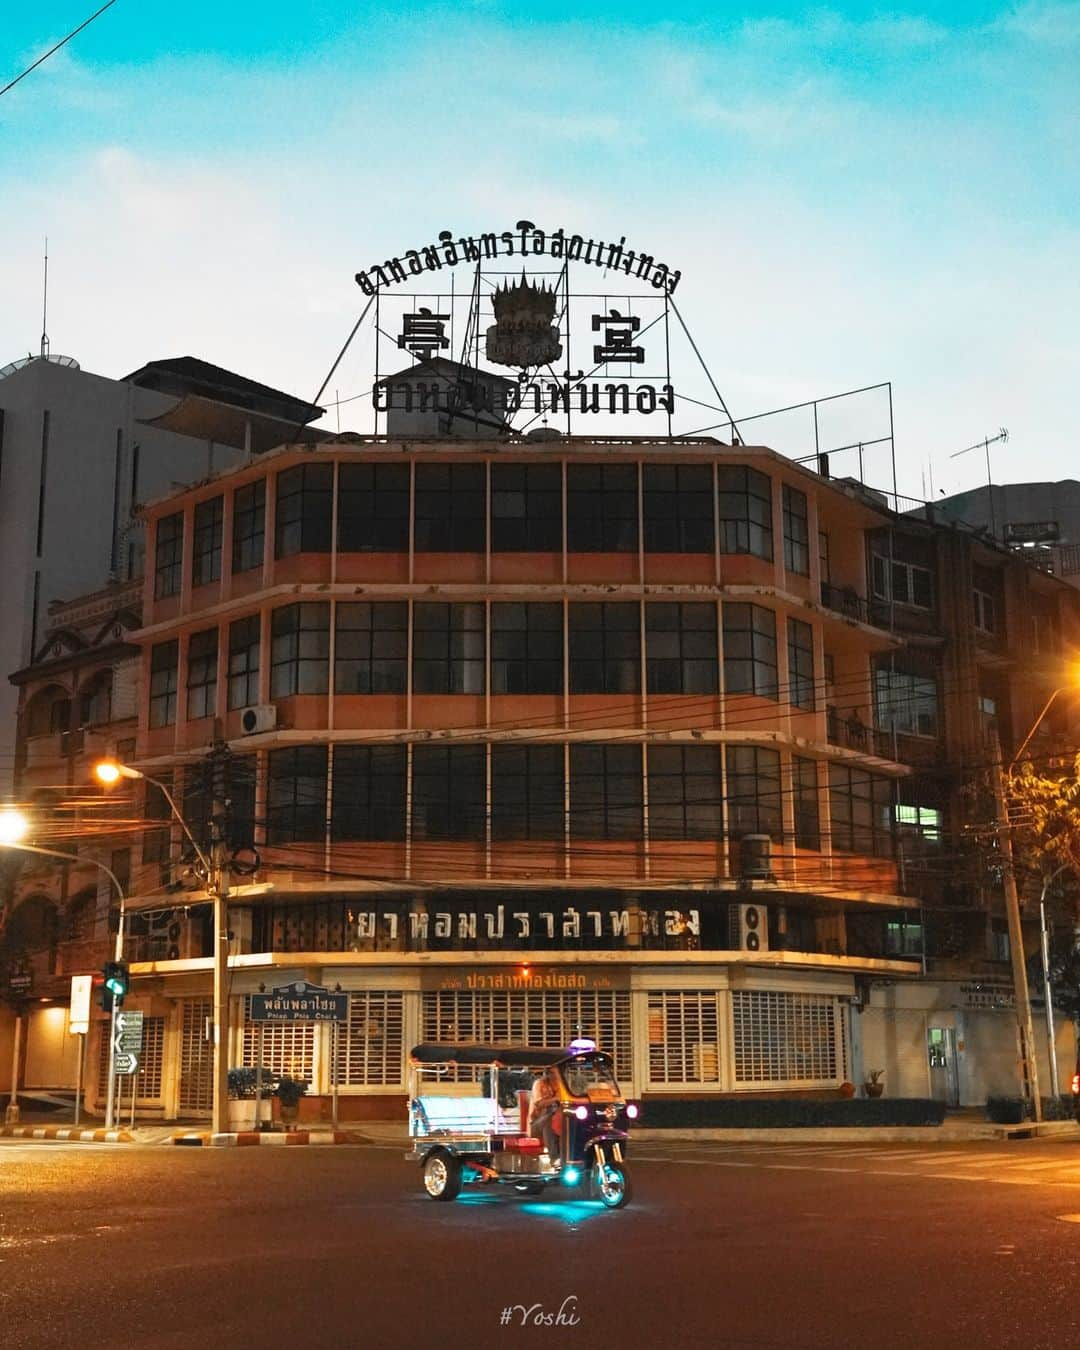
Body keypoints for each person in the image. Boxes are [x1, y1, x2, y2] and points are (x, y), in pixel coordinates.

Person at [528, 1067, 560, 1161]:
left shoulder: (562, 1085)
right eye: (552, 1072)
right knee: (549, 1120)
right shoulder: (539, 1084)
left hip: (558, 1119)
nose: (554, 1075)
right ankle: (555, 1158)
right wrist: (556, 1098)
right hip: (537, 1123)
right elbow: (538, 1104)